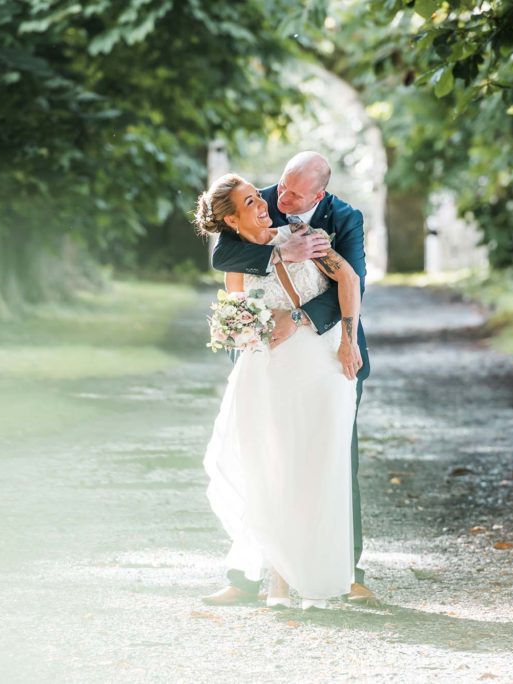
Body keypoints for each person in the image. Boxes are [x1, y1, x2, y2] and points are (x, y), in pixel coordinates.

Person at [201, 151, 375, 606]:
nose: (278, 198)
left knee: (330, 465)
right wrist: (277, 251)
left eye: (294, 194)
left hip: (321, 351)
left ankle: (341, 573)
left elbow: (352, 282)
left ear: (318, 195)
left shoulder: (340, 219)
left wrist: (298, 319)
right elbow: (226, 255)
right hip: (266, 363)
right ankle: (249, 579)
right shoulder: (259, 204)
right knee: (263, 464)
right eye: (278, 187)